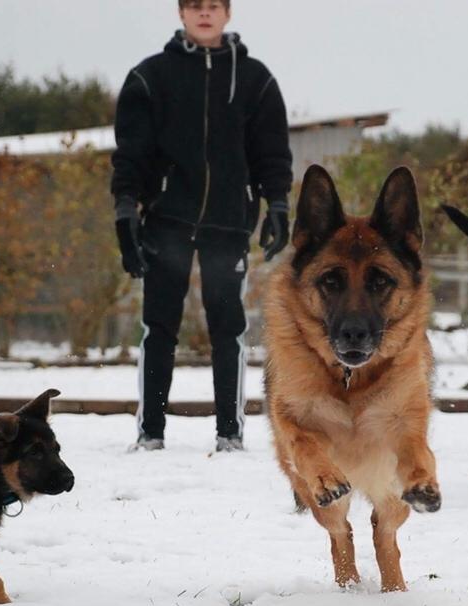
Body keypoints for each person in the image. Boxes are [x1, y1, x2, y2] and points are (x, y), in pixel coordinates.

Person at [111, 0, 293, 452]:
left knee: (228, 327)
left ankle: (230, 434)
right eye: (195, 5)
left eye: (213, 5)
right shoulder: (150, 77)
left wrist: (278, 205)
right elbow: (131, 153)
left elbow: (271, 149)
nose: (204, 13)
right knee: (159, 326)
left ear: (228, 13)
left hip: (228, 221)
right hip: (167, 219)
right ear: (181, 13)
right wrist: (125, 210)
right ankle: (150, 433)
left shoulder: (255, 79)